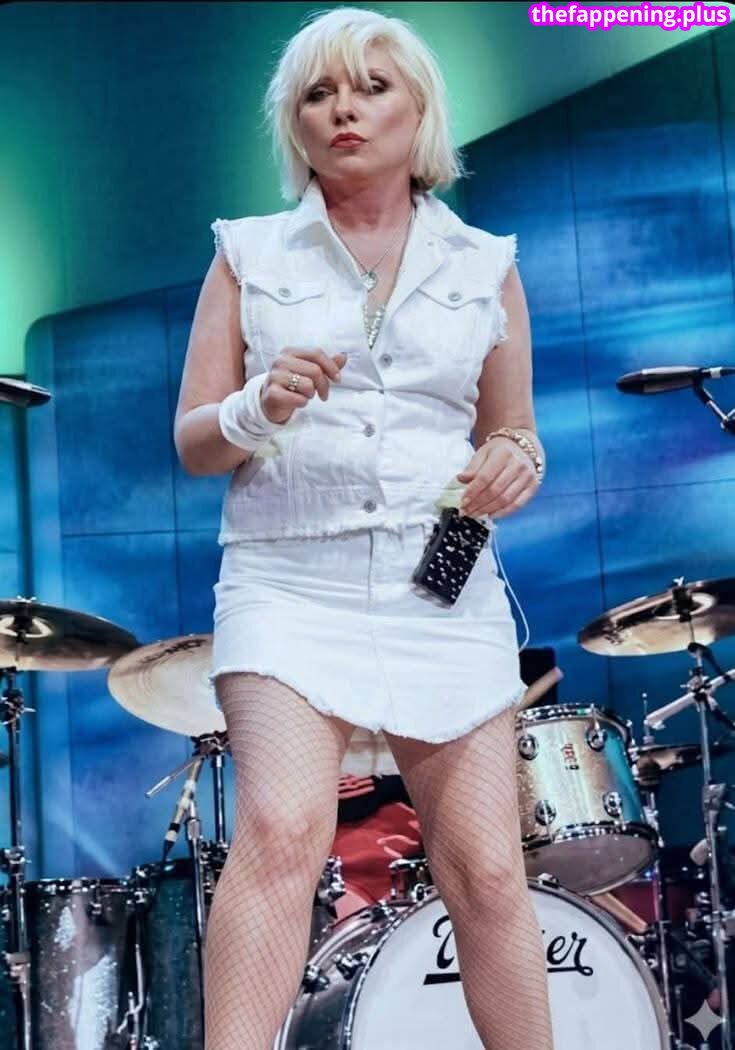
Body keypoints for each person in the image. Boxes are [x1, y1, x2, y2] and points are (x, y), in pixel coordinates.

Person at [174, 7, 553, 1048]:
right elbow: (194, 441)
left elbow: (513, 430)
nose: (344, 109)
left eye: (371, 87)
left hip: (442, 581)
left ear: (419, 109)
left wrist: (515, 461)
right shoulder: (248, 252)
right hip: (288, 580)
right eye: (318, 93)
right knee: (280, 829)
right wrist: (258, 407)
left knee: (485, 866)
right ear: (293, 124)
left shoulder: (484, 262)